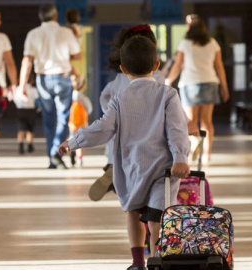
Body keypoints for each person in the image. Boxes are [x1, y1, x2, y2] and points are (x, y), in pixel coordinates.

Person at [59, 35, 190, 269]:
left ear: (122, 69)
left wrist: (74, 141)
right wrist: (180, 157)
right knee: (156, 216)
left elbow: (102, 128)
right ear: (156, 66)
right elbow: (177, 129)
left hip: (132, 169)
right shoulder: (168, 94)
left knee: (133, 212)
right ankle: (159, 261)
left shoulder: (119, 98)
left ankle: (138, 263)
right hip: (164, 170)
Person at [88, 25, 198, 202]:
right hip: (151, 150)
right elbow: (171, 109)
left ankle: (113, 170)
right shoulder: (156, 76)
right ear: (153, 49)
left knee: (132, 202)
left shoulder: (120, 77)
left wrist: (112, 114)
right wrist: (188, 123)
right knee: (153, 196)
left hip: (122, 145)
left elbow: (105, 97)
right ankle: (152, 218)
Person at [19, 4, 81, 169]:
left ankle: (52, 159)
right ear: (55, 16)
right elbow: (78, 54)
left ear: (41, 17)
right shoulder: (66, 32)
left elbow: (27, 60)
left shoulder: (33, 34)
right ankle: (55, 153)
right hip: (62, 77)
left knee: (48, 120)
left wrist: (22, 85)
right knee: (63, 118)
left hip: (43, 79)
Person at [165, 16, 229, 164]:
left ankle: (194, 144)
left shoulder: (185, 43)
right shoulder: (213, 43)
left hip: (190, 84)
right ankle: (207, 155)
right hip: (210, 83)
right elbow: (219, 66)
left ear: (190, 29)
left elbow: (178, 65)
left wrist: (168, 80)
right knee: (207, 122)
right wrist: (224, 87)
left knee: (191, 121)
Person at [68, 75, 92, 166]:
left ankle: (72, 155)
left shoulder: (69, 97)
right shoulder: (83, 98)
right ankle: (79, 159)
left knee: (71, 139)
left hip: (72, 123)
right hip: (81, 124)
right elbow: (89, 109)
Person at [13, 73, 39, 154]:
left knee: (20, 129)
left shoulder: (18, 89)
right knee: (30, 129)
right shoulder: (34, 90)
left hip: (21, 110)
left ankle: (20, 144)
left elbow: (14, 99)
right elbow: (37, 100)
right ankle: (30, 144)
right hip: (31, 111)